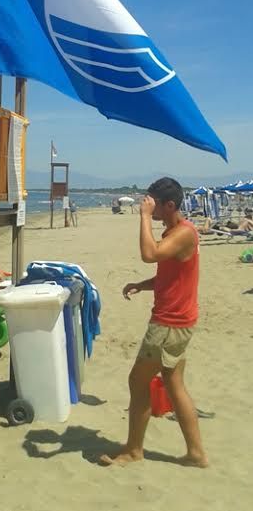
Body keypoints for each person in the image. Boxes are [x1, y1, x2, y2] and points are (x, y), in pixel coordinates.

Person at [101, 177, 208, 468]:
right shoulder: (177, 232)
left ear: (169, 205)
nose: (148, 207)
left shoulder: (184, 233)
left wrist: (145, 218)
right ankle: (196, 454)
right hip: (179, 321)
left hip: (170, 324)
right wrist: (143, 285)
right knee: (174, 385)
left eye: (153, 203)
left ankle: (134, 450)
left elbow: (150, 255)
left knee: (138, 381)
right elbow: (171, 275)